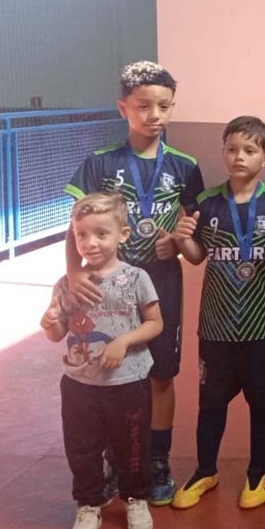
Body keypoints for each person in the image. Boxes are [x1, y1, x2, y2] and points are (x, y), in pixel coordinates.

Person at [64, 61, 205, 506]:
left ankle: (157, 460)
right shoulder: (100, 162)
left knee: (162, 373)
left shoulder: (185, 166)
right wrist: (74, 272)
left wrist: (176, 243)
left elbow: (193, 236)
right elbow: (75, 225)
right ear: (123, 108)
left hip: (161, 282)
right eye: (143, 106)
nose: (154, 115)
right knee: (110, 371)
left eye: (164, 105)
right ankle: (115, 462)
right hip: (108, 286)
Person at [171, 117, 265, 509]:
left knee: (264, 401)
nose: (239, 157)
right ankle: (205, 470)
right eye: (232, 149)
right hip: (217, 325)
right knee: (211, 402)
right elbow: (197, 257)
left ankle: (259, 470)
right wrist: (182, 241)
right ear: (223, 153)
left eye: (249, 150)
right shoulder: (208, 202)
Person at [40, 191, 163, 529]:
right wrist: (49, 322)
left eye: (101, 233)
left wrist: (124, 341)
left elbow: (155, 323)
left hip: (128, 382)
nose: (90, 243)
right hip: (80, 384)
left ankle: (136, 498)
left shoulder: (136, 278)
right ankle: (88, 502)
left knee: (132, 445)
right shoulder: (67, 284)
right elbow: (57, 334)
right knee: (81, 447)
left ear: (123, 235)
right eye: (81, 234)